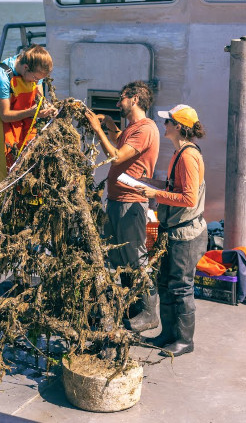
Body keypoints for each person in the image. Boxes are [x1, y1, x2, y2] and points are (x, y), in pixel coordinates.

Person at [84, 81, 160, 333]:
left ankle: (150, 313)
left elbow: (116, 156)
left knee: (136, 258)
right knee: (120, 257)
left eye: (122, 99)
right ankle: (132, 307)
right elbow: (121, 143)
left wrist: (96, 127)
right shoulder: (133, 128)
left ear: (135, 99)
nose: (118, 104)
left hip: (131, 202)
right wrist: (108, 126)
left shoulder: (146, 129)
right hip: (118, 201)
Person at [135, 104, 207, 357]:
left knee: (181, 287)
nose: (163, 125)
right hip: (174, 231)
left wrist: (155, 194)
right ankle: (168, 334)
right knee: (166, 284)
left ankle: (185, 341)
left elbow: (187, 198)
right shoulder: (180, 152)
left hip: (185, 235)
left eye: (167, 122)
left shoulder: (187, 156)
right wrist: (148, 182)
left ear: (178, 127)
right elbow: (175, 187)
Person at [0, 44, 58, 183]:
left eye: (39, 79)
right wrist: (33, 112)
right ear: (26, 67)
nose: (36, 81)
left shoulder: (36, 68)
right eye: (35, 78)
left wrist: (48, 107)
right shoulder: (2, 76)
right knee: (5, 171)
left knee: (29, 164)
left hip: (25, 118)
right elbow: (5, 115)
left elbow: (39, 97)